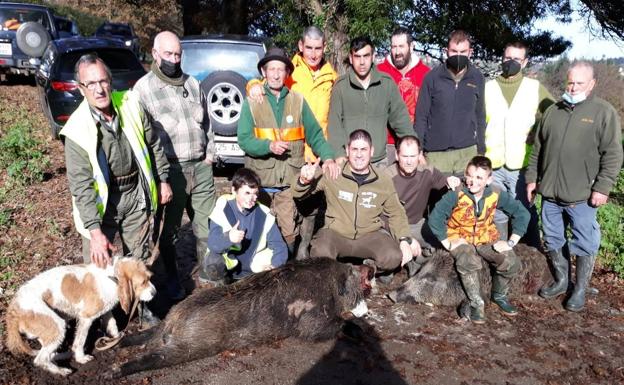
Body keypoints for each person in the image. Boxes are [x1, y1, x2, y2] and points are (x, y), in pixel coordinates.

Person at [61, 54, 171, 324]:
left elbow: (153, 144)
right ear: (80, 88)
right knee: (99, 265)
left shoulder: (130, 103)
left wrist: (163, 179)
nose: (99, 89)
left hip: (135, 192)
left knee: (140, 256)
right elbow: (82, 185)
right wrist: (95, 232)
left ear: (111, 82)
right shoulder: (76, 129)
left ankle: (143, 310)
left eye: (103, 81)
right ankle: (102, 319)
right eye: (90, 84)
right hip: (101, 207)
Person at [526, 61, 623, 312]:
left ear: (591, 84)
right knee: (554, 238)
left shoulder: (603, 112)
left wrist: (602, 187)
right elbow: (538, 149)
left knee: (585, 242)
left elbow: (613, 154)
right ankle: (561, 280)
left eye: (580, 83)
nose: (574, 87)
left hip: (582, 196)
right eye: (570, 81)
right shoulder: (553, 112)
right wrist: (532, 178)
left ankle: (579, 288)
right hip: (549, 194)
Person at [134, 31, 216, 296]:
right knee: (168, 232)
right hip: (170, 171)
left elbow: (208, 123)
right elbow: (142, 139)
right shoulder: (143, 89)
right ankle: (172, 280)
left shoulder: (193, 84)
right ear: (155, 54)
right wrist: (160, 179)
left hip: (201, 167)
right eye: (168, 54)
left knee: (207, 225)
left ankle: (210, 278)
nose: (173, 59)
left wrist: (210, 154)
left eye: (177, 54)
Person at [237, 47, 339, 256]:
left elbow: (316, 135)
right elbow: (244, 140)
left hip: (287, 186)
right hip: (259, 185)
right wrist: (268, 146)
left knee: (288, 237)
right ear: (264, 73)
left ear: (287, 73)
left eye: (280, 69)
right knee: (255, 235)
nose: (276, 74)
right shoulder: (251, 102)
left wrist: (328, 157)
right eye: (271, 69)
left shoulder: (298, 101)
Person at [292, 129, 415, 278]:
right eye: (354, 149)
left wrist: (404, 239)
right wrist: (304, 181)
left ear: (372, 151)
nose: (359, 154)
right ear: (347, 151)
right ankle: (340, 273)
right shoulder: (333, 173)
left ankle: (365, 270)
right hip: (336, 233)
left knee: (393, 256)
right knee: (320, 253)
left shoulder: (382, 180)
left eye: (364, 149)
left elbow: (396, 212)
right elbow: (298, 193)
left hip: (369, 234)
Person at [428, 156, 529, 323]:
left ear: (489, 179)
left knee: (511, 262)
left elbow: (521, 213)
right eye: (469, 175)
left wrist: (510, 242)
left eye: (479, 178)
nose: (472, 182)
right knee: (467, 260)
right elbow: (435, 217)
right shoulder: (457, 193)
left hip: (485, 236)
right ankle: (476, 303)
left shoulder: (496, 194)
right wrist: (447, 242)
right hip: (460, 237)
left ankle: (499, 295)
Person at [484, 41, 554, 246]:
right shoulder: (488, 88)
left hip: (521, 166)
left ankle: (533, 256)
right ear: (502, 58)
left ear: (524, 63)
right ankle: (502, 258)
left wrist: (537, 129)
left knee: (525, 213)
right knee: (496, 214)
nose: (511, 62)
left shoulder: (534, 88)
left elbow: (555, 114)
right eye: (508, 58)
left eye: (516, 59)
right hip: (493, 164)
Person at [327, 36, 413, 167]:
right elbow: (334, 125)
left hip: (379, 161)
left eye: (366, 56)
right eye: (357, 56)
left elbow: (401, 120)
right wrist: (339, 154)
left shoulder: (386, 83)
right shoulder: (340, 86)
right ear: (351, 58)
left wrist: (413, 148)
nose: (362, 62)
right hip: (349, 161)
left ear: (373, 57)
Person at [385, 135, 460, 276]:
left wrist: (454, 183)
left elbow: (446, 184)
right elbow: (381, 217)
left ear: (420, 155)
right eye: (404, 156)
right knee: (390, 260)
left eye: (413, 156)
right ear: (396, 155)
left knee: (442, 244)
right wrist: (405, 239)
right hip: (391, 226)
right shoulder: (387, 177)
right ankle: (392, 267)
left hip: (416, 224)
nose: (408, 161)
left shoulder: (428, 172)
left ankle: (416, 260)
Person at [414, 30, 486, 175]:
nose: (458, 55)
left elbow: (480, 115)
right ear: (446, 51)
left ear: (470, 52)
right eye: (454, 51)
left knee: (465, 197)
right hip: (436, 154)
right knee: (439, 197)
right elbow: (421, 116)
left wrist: (481, 149)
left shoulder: (477, 77)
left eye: (463, 51)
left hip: (467, 152)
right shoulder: (432, 78)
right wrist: (418, 150)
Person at [204, 168, 287, 285]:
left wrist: (274, 266)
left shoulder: (264, 215)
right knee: (213, 260)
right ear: (234, 190)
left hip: (254, 268)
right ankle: (222, 286)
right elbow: (213, 243)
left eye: (255, 194)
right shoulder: (221, 209)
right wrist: (229, 238)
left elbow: (279, 246)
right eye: (247, 193)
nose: (252, 199)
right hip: (230, 267)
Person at [377, 27, 430, 161]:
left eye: (401, 46)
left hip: (415, 145)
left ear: (411, 47)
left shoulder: (425, 74)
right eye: (394, 47)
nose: (397, 52)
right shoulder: (379, 72)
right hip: (386, 145)